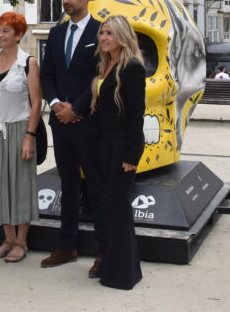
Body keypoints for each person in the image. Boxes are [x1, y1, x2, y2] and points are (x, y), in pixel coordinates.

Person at [39, 0, 105, 275]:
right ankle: (67, 246)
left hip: (88, 122)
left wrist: (76, 108)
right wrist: (55, 105)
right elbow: (47, 74)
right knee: (67, 184)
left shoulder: (101, 32)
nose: (65, 1)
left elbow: (101, 76)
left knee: (95, 185)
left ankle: (104, 252)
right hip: (60, 122)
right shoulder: (55, 34)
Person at [0, 12, 42, 263]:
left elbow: (36, 103)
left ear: (19, 35)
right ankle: (8, 239)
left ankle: (21, 242)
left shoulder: (28, 62)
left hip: (18, 128)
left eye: (5, 31)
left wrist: (29, 136)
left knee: (20, 185)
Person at [91, 15, 146, 290]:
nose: (103, 37)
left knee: (119, 207)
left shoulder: (132, 67)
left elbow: (137, 115)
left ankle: (124, 274)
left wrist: (131, 156)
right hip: (105, 144)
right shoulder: (105, 64)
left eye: (109, 33)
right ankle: (118, 267)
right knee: (110, 207)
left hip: (123, 145)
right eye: (102, 32)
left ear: (122, 36)